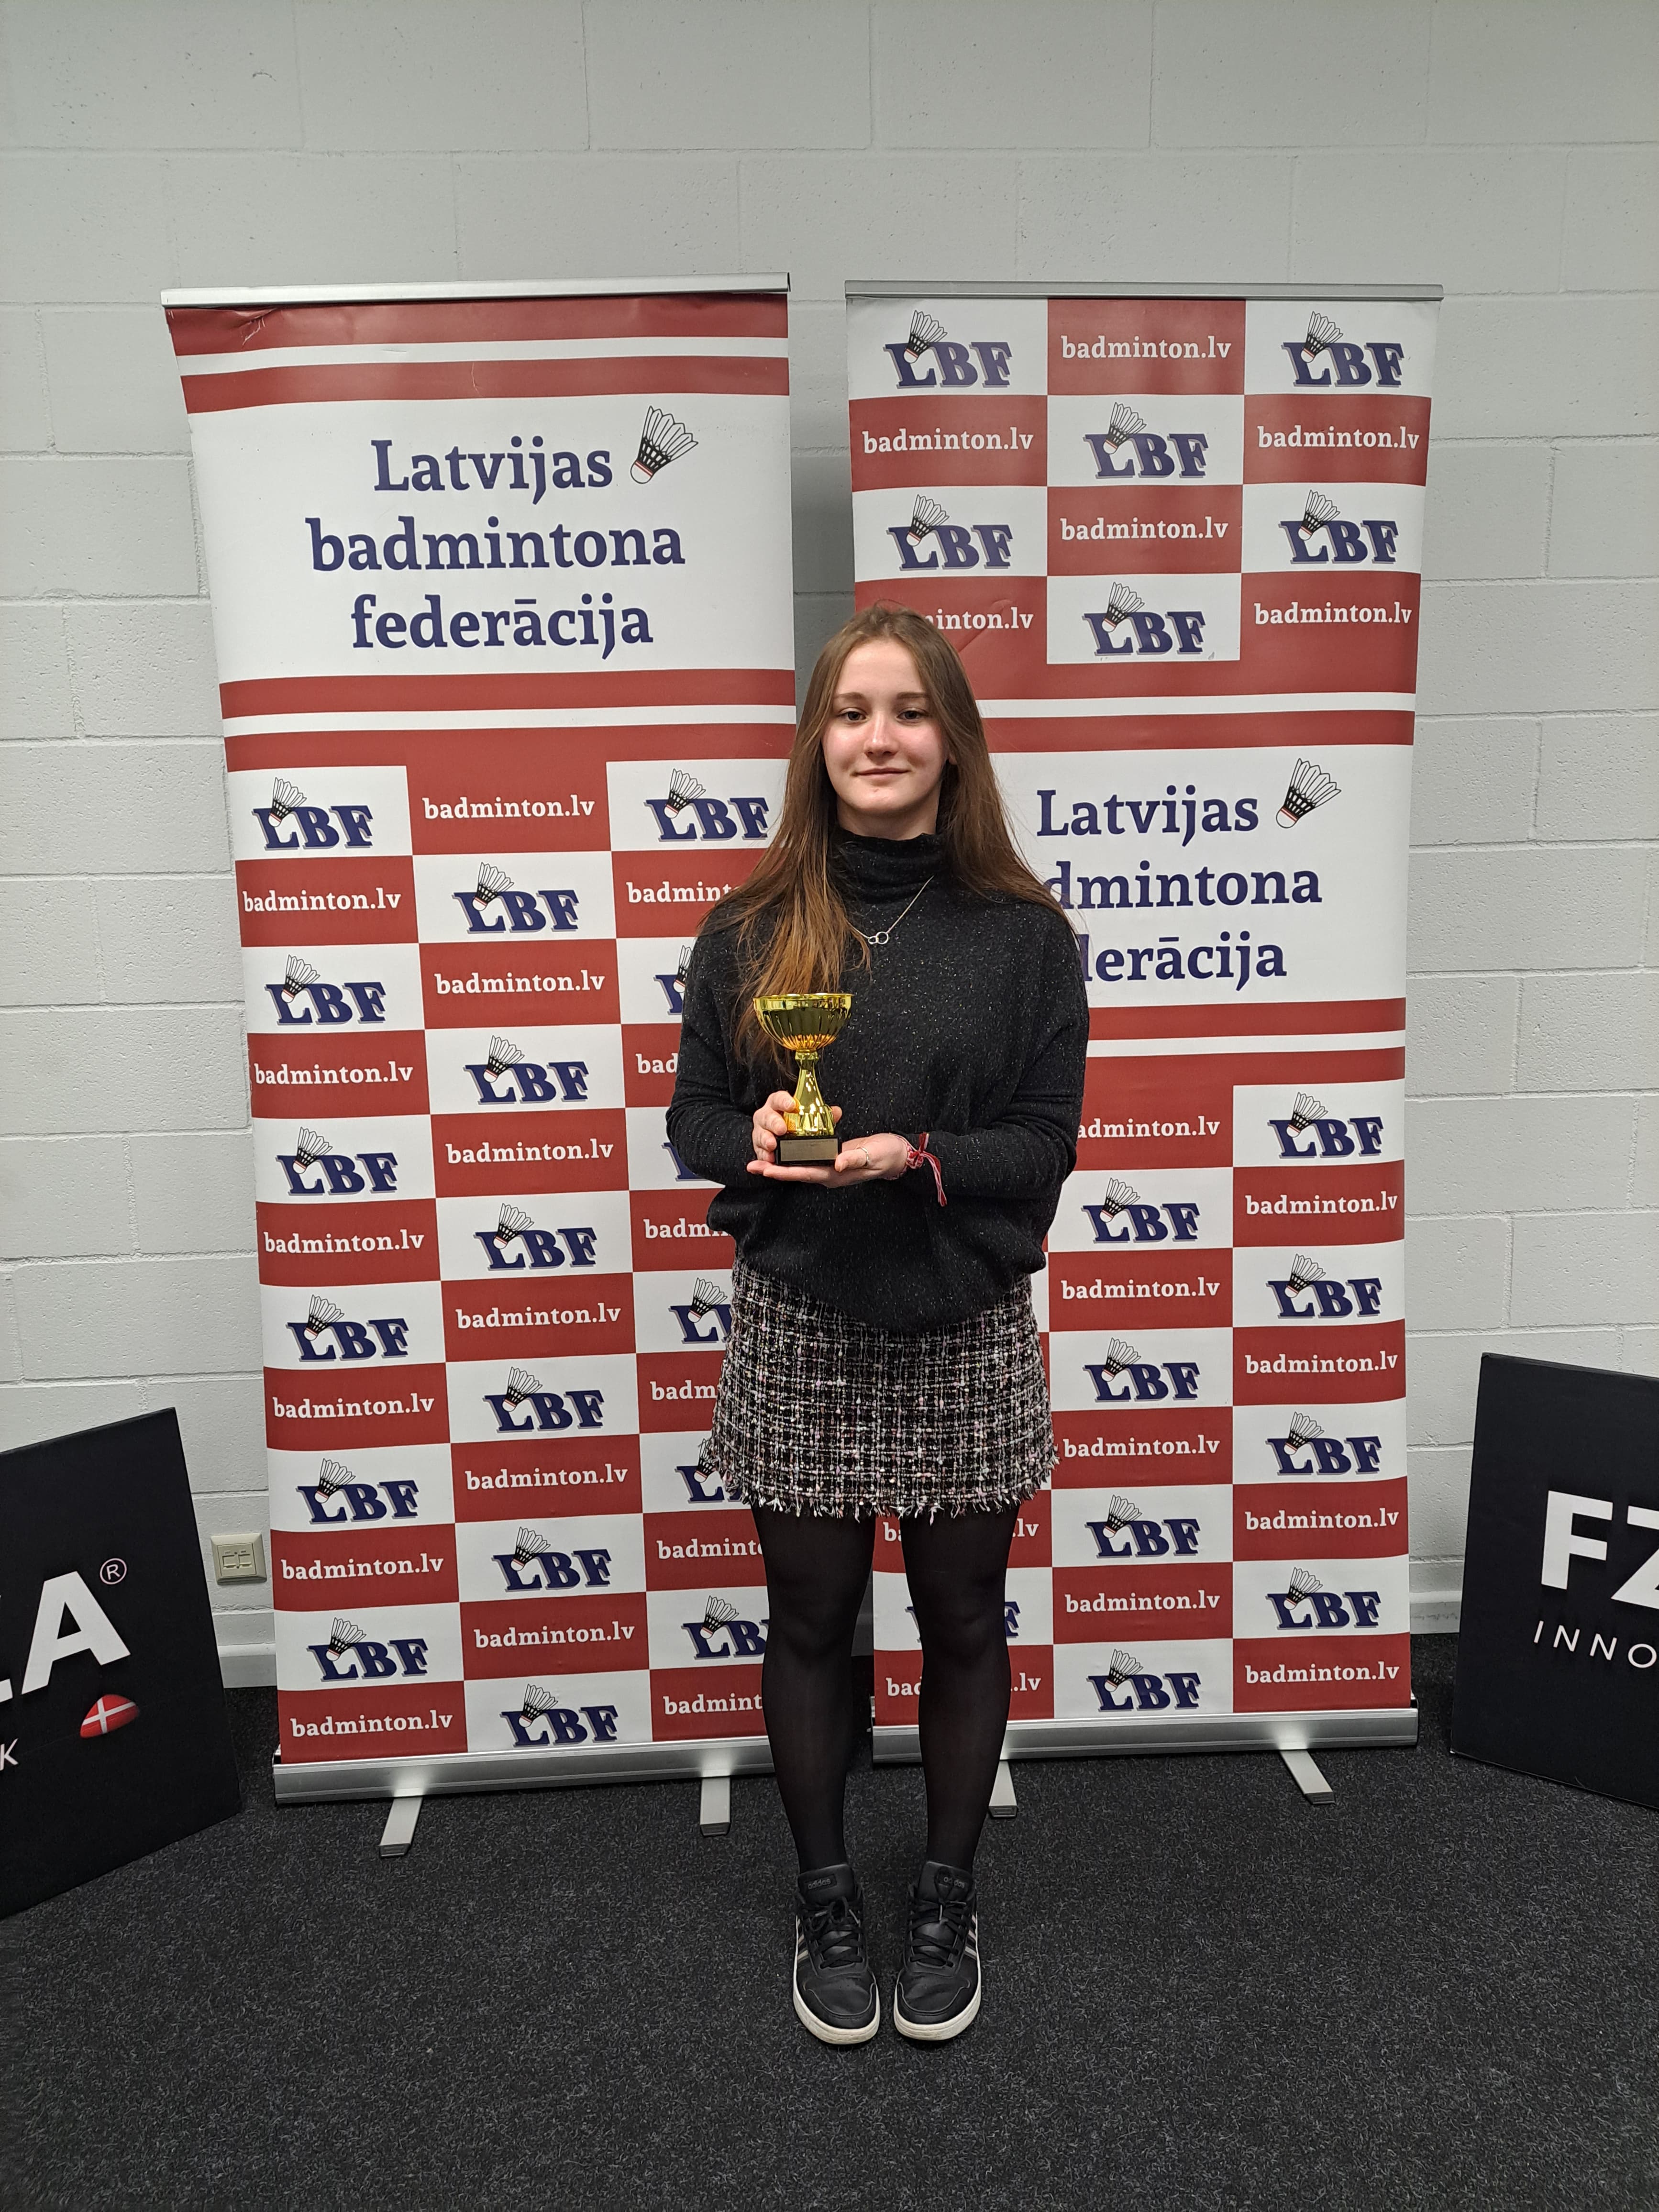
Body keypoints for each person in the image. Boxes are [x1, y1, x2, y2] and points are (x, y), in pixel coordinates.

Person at [666, 604, 1088, 2045]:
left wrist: (918, 1156)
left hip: (966, 1316)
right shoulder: (746, 927)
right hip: (803, 1317)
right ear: (818, 739)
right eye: (852, 712)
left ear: (952, 739)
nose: (880, 738)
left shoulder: (1025, 938)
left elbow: (1045, 1142)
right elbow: (692, 1120)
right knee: (809, 1620)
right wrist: (750, 1135)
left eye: (909, 711)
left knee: (963, 1618)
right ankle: (827, 1895)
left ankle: (947, 1893)